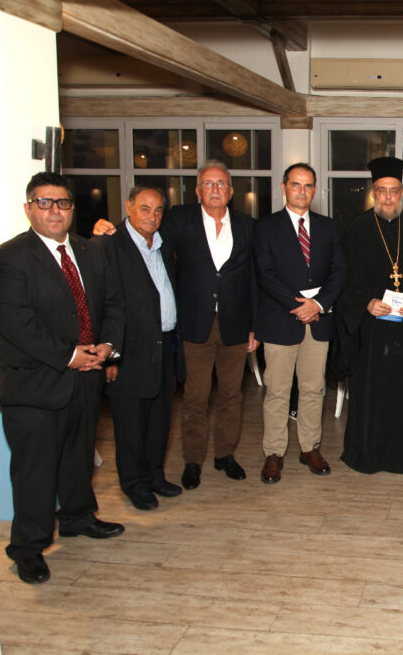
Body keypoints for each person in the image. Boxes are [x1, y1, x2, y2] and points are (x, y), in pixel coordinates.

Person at [0, 172, 125, 585]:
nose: (54, 211)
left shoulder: (89, 252)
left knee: (78, 456)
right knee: (36, 472)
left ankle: (78, 517)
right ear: (28, 208)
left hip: (86, 379)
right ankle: (28, 548)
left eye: (62, 203)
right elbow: (16, 323)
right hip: (34, 385)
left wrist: (107, 346)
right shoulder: (8, 259)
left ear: (71, 208)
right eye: (44, 203)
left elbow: (112, 304)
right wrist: (69, 356)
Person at [93, 160, 258, 489]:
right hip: (194, 324)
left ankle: (225, 455)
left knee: (231, 396)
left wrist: (255, 325)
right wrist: (106, 228)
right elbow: (140, 231)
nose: (215, 189)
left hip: (236, 325)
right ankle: (193, 461)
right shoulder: (178, 220)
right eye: (208, 184)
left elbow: (254, 277)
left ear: (231, 191)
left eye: (221, 184)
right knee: (196, 398)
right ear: (197, 191)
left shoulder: (248, 226)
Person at [336, 156, 403, 474]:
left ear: (402, 193)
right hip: (371, 327)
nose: (388, 197)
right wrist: (366, 302)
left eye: (394, 191)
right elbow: (343, 280)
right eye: (382, 191)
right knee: (372, 389)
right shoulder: (357, 229)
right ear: (373, 193)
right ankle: (368, 452)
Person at [254, 163, 345, 483]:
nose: (302, 191)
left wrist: (318, 304)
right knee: (277, 391)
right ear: (283, 188)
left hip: (318, 321)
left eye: (308, 186)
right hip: (281, 320)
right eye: (296, 185)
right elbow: (265, 274)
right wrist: (299, 306)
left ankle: (310, 447)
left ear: (315, 190)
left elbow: (339, 271)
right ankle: (274, 452)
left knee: (313, 388)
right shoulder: (265, 227)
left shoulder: (329, 227)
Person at [97, 185, 181, 511]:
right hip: (128, 350)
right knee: (130, 423)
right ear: (128, 207)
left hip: (163, 345)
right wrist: (110, 356)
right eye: (145, 208)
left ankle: (154, 475)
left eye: (158, 210)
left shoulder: (162, 244)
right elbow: (101, 304)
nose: (152, 216)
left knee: (159, 419)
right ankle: (133, 483)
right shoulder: (109, 244)